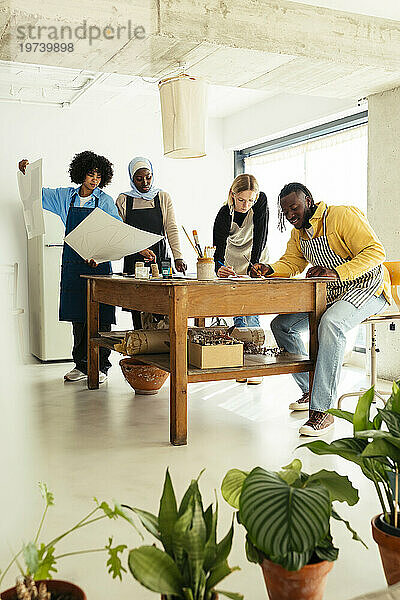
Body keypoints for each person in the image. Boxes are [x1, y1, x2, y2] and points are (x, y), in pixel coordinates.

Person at [250, 182, 391, 435]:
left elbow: (376, 251)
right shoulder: (299, 234)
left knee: (331, 323)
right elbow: (291, 263)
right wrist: (270, 269)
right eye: (285, 212)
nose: (290, 215)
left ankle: (324, 410)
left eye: (294, 207)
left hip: (368, 287)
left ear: (309, 200)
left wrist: (336, 272)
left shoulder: (341, 215)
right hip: (332, 290)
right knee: (281, 325)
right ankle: (311, 390)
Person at [18, 151, 121, 383]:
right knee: (78, 315)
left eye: (98, 175)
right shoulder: (66, 197)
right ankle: (81, 365)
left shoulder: (104, 200)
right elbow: (36, 195)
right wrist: (26, 175)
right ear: (80, 173)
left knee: (101, 316)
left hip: (99, 263)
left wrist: (101, 254)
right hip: (73, 262)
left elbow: (116, 230)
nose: (94, 179)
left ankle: (101, 366)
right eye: (90, 174)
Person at [116, 157, 186, 329]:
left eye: (148, 177)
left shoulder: (162, 197)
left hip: (160, 257)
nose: (145, 182)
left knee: (162, 305)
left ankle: (162, 350)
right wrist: (139, 248)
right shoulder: (124, 200)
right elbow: (119, 232)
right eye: (139, 179)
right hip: (135, 259)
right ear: (132, 179)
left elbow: (171, 228)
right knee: (138, 307)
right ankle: (141, 348)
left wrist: (178, 257)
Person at [213, 173, 269, 385]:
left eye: (250, 200)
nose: (246, 204)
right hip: (233, 261)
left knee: (252, 309)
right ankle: (240, 363)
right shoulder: (223, 214)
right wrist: (220, 269)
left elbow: (261, 236)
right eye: (241, 200)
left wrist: (254, 267)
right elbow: (216, 253)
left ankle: (254, 365)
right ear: (232, 195)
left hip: (255, 258)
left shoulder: (261, 202)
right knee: (238, 311)